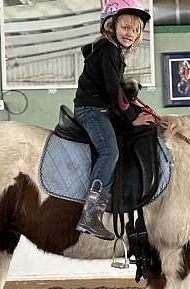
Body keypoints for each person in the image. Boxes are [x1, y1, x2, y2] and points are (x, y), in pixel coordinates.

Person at [73, 0, 155, 240]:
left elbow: (116, 88)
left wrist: (131, 97)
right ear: (112, 25)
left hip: (101, 109)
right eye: (125, 27)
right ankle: (90, 214)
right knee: (110, 152)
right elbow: (111, 92)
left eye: (135, 29)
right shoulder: (109, 50)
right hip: (91, 110)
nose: (130, 33)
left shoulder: (113, 51)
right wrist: (132, 119)